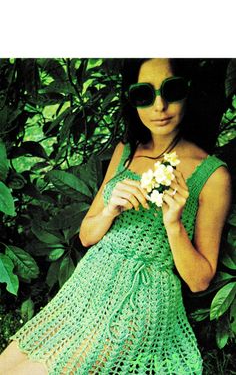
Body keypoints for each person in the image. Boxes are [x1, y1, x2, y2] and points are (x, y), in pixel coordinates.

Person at [0, 58, 231, 374]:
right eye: (144, 95)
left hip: (142, 298)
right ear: (131, 98)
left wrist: (173, 224)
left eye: (171, 90)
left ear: (188, 92)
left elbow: (200, 279)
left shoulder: (212, 174)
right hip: (89, 284)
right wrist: (110, 209)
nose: (159, 106)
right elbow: (86, 235)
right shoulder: (127, 150)